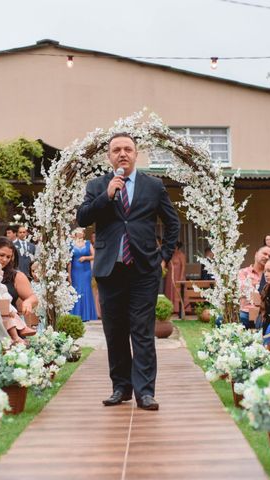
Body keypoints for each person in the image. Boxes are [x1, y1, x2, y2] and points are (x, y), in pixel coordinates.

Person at [76, 132, 179, 411]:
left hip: (144, 270)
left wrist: (164, 257)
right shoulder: (97, 185)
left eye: (128, 149)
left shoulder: (153, 186)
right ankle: (120, 387)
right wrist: (107, 196)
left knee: (142, 332)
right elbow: (83, 217)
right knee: (115, 331)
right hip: (110, 269)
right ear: (109, 156)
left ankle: (145, 391)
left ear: (136, 154)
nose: (122, 154)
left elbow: (173, 224)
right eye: (116, 150)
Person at [0, 236, 37, 337]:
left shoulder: (16, 276)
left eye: (8, 257)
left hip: (11, 325)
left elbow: (32, 297)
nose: (4, 259)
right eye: (1, 255)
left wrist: (28, 302)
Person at [237, 245, 270, 328]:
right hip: (245, 311)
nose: (267, 257)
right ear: (256, 254)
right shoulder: (243, 273)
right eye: (264, 254)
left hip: (263, 312)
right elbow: (243, 291)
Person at [68, 228, 97, 321]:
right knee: (76, 290)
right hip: (75, 271)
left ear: (84, 234)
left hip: (86, 271)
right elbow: (69, 261)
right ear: (75, 234)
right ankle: (76, 314)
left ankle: (87, 315)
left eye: (81, 232)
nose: (80, 234)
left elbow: (95, 256)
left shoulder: (88, 243)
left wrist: (86, 258)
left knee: (86, 290)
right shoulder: (71, 244)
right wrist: (69, 275)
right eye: (78, 232)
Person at [164, 241, 186, 315]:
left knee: (177, 291)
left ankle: (178, 309)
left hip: (178, 275)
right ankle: (170, 308)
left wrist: (181, 277)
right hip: (170, 275)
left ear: (177, 247)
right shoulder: (171, 255)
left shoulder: (181, 255)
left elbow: (183, 266)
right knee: (170, 290)